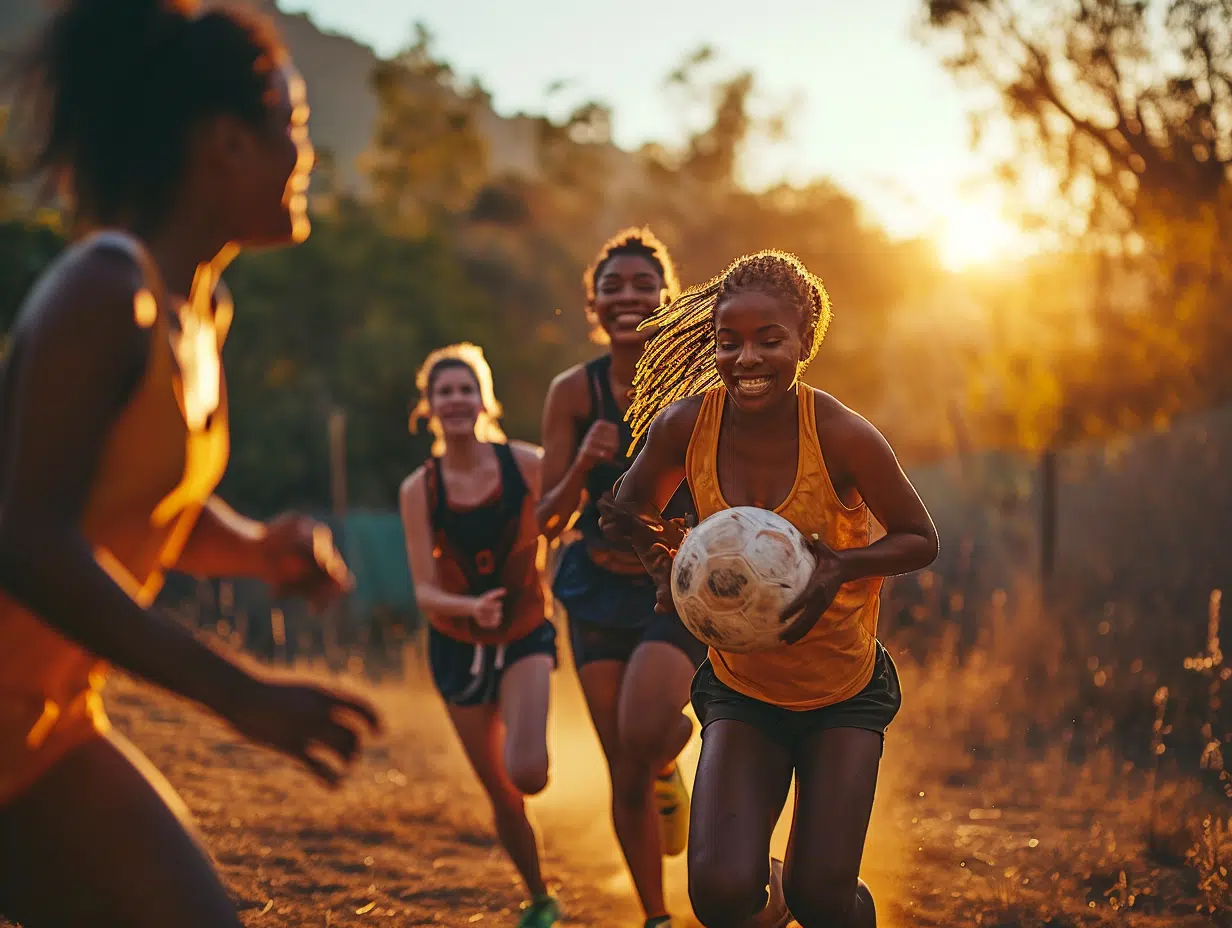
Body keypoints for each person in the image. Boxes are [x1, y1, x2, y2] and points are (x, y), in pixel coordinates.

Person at [0, 2, 382, 925]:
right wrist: (239, 695)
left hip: (39, 723)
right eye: (291, 126)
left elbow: (130, 503)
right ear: (226, 145)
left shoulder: (197, 315)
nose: (307, 156)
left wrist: (256, 550)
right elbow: (30, 541)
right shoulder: (104, 292)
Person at [599, 250, 940, 928]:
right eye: (728, 341)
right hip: (743, 688)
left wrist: (845, 565)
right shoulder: (686, 425)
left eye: (768, 340)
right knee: (722, 896)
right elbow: (623, 510)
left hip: (842, 692)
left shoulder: (841, 434)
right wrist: (659, 560)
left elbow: (920, 537)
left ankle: (827, 895)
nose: (745, 358)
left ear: (804, 342)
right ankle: (772, 882)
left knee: (823, 903)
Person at [537, 228, 707, 928]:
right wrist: (581, 463)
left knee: (647, 731)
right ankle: (656, 918)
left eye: (643, 285)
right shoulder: (572, 393)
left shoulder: (701, 383)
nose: (628, 297)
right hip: (595, 588)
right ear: (593, 304)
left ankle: (670, 764)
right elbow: (546, 519)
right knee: (624, 769)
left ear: (666, 298)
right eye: (613, 287)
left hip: (672, 587)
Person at [400, 344, 560, 928]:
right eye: (445, 392)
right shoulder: (421, 489)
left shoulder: (528, 464)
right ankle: (541, 897)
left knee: (527, 772)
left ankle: (656, 773)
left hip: (523, 633)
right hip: (456, 645)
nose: (457, 400)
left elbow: (563, 523)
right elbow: (423, 590)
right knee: (502, 794)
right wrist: (469, 605)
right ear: (430, 407)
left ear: (484, 398)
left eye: (466, 389)